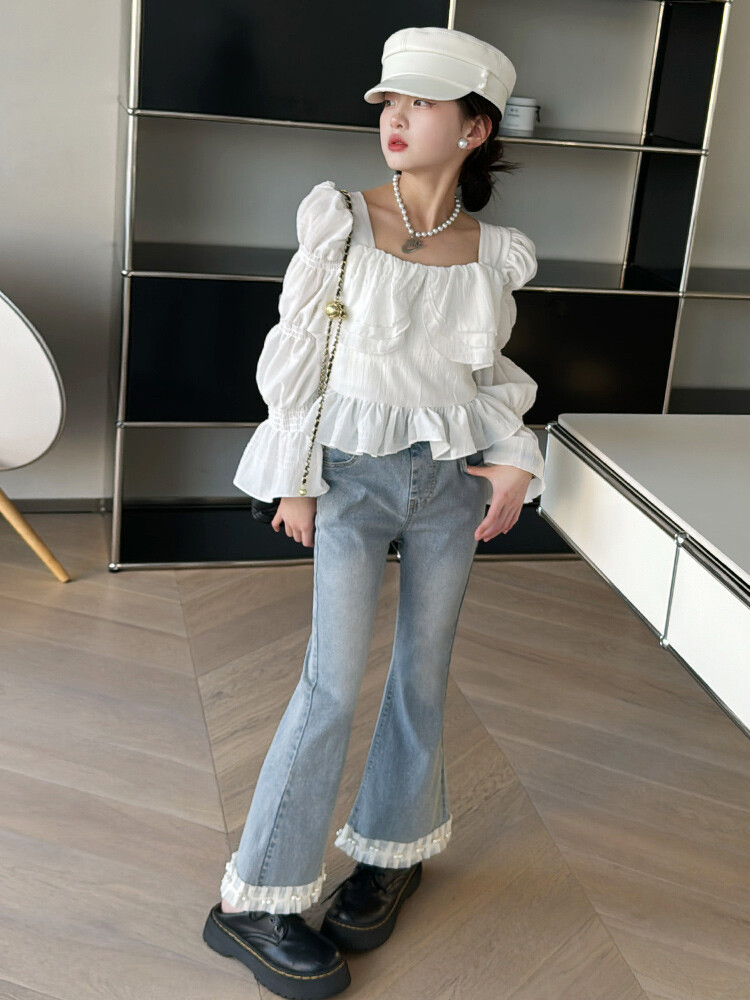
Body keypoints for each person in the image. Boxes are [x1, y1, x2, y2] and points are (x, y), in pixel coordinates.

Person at [202, 25, 545, 1000]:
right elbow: (298, 355)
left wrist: (512, 460)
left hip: (447, 486)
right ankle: (254, 900)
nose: (395, 118)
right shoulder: (341, 221)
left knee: (422, 675)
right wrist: (295, 477)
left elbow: (483, 376)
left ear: (474, 129)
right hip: (349, 478)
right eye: (390, 102)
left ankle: (392, 851)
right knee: (330, 682)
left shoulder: (493, 254)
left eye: (421, 104)